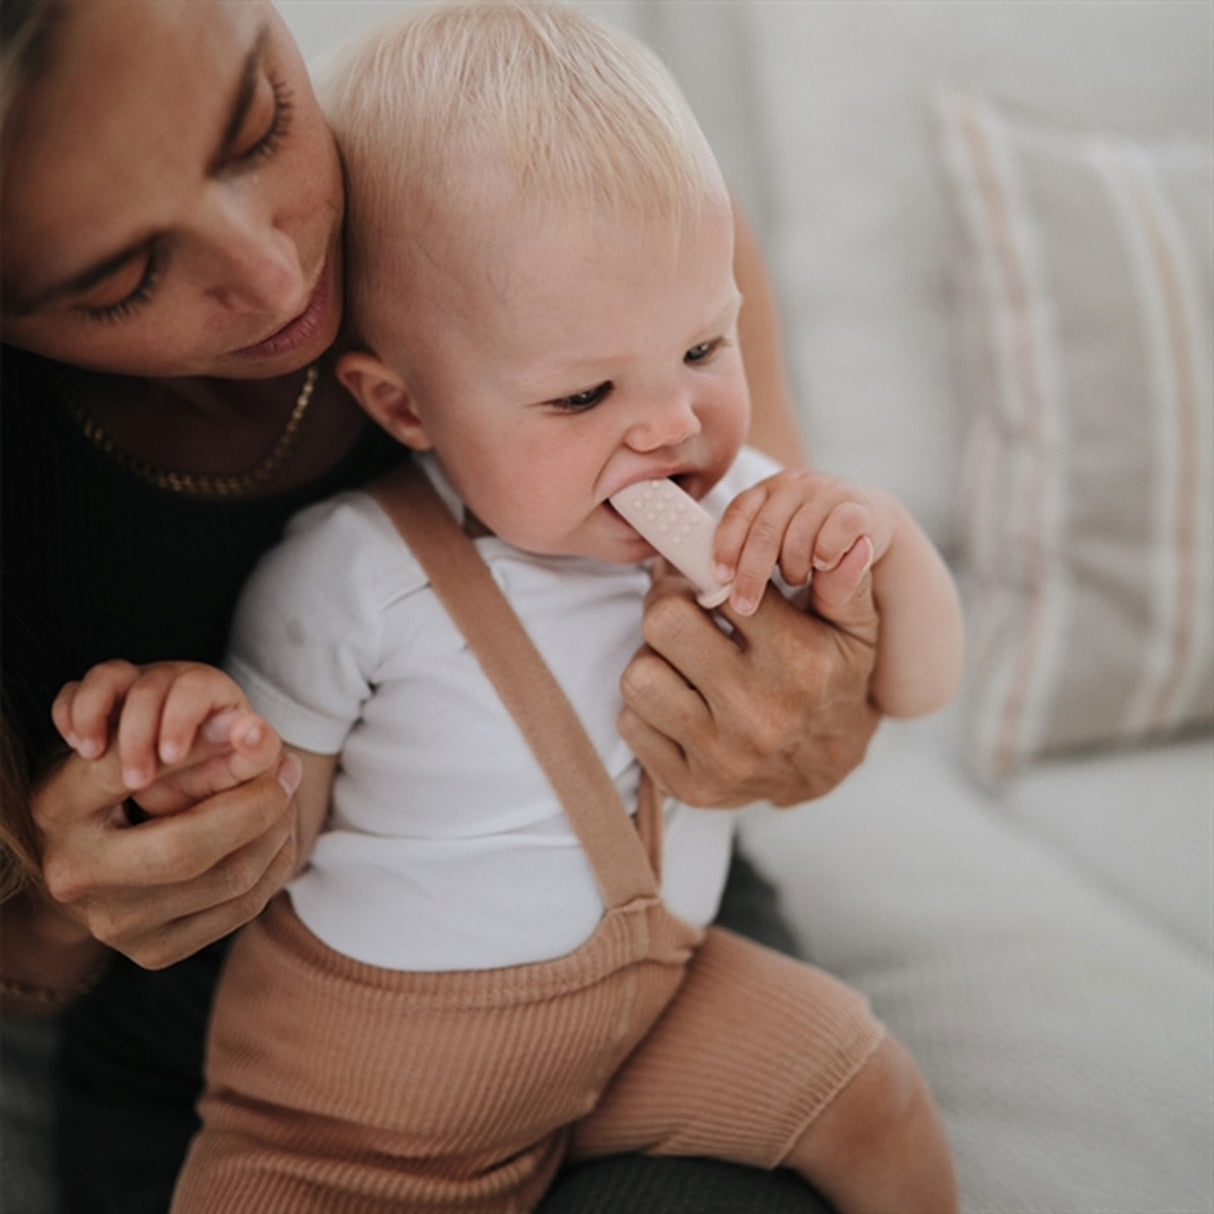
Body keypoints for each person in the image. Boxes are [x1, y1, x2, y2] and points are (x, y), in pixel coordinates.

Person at [50, 5, 961, 1211]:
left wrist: (877, 541)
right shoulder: (354, 573)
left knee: (866, 1084)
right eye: (583, 395)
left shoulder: (737, 497)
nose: (672, 423)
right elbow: (272, 835)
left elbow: (917, 685)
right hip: (355, 1108)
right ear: (404, 407)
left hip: (645, 1010)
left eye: (702, 347)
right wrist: (194, 757)